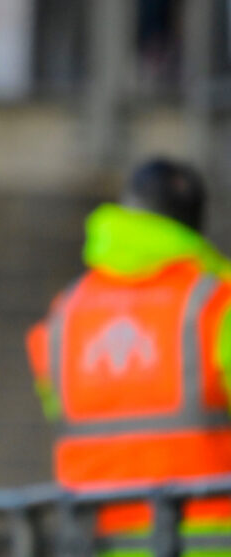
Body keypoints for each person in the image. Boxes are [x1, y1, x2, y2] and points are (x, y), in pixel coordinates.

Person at [26, 158, 231, 554]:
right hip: (205, 542)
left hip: (94, 541)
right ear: (196, 224)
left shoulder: (66, 312)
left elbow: (59, 407)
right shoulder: (216, 301)